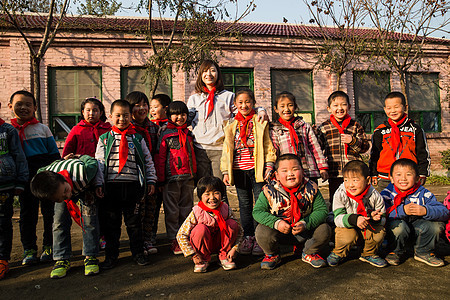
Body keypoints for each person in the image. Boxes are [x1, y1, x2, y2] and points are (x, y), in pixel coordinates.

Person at [95, 100, 156, 269]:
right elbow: (99, 163)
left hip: (132, 187)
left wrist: (151, 180)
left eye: (126, 115)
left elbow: (148, 161)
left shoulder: (137, 138)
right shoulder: (104, 139)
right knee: (111, 225)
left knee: (134, 223)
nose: (122, 119)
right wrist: (99, 184)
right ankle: (111, 256)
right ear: (110, 116)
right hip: (111, 188)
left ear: (131, 117)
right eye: (118, 115)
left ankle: (138, 254)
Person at [187, 59, 267, 181]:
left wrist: (261, 110)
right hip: (200, 149)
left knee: (219, 187)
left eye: (212, 71)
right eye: (205, 71)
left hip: (220, 148)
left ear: (218, 74)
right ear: (200, 75)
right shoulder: (194, 98)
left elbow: (244, 110)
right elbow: (184, 119)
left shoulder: (228, 96)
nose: (208, 74)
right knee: (202, 187)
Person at [220, 88, 276, 256]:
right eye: (240, 102)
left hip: (257, 170)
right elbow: (226, 150)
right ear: (235, 105)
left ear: (254, 103)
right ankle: (249, 236)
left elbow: (268, 145)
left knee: (260, 204)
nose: (244, 105)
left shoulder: (259, 121)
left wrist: (269, 164)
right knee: (244, 205)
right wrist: (225, 171)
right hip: (239, 171)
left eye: (247, 102)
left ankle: (260, 237)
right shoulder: (231, 124)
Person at [8, 90, 61, 265]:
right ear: (10, 107)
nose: (23, 108)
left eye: (28, 104)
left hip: (45, 175)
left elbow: (54, 154)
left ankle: (49, 246)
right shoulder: (8, 131)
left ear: (35, 108)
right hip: (23, 178)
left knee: (49, 212)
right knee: (27, 213)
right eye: (19, 104)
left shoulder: (42, 129)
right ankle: (29, 249)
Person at [30, 155, 104, 278]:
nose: (67, 195)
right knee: (59, 222)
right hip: (64, 178)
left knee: (89, 220)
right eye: (61, 197)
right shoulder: (49, 180)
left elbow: (92, 162)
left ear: (63, 180)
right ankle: (61, 258)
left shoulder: (84, 172)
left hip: (85, 187)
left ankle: (91, 255)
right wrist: (61, 161)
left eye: (65, 191)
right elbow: (39, 172)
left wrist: (81, 157)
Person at [253, 154, 331, 270]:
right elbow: (257, 212)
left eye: (295, 169)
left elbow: (322, 210)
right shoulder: (268, 191)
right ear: (277, 175)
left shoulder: (312, 188)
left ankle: (309, 251)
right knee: (261, 231)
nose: (290, 174)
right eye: (285, 171)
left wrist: (305, 223)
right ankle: (272, 254)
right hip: (280, 233)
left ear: (302, 171)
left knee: (325, 229)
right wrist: (277, 223)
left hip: (304, 231)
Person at [381, 158, 449, 267]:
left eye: (408, 174)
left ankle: (424, 251)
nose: (403, 178)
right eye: (398, 174)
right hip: (399, 233)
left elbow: (444, 212)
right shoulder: (386, 194)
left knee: (436, 226)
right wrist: (402, 210)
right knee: (398, 227)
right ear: (391, 178)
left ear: (417, 178)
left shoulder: (424, 193)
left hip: (419, 231)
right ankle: (396, 251)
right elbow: (382, 213)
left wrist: (425, 210)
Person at [327, 160, 387, 268]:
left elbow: (383, 218)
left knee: (379, 233)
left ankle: (368, 253)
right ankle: (338, 252)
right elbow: (337, 218)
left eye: (355, 180)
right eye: (346, 180)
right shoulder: (340, 194)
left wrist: (375, 218)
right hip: (346, 226)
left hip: (366, 225)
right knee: (347, 237)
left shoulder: (374, 195)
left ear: (367, 180)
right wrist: (354, 219)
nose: (350, 185)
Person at [176, 176, 243, 273]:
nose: (212, 198)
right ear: (200, 196)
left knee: (232, 224)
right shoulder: (196, 212)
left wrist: (234, 249)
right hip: (203, 246)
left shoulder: (225, 209)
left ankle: (224, 256)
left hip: (221, 243)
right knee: (200, 229)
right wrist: (193, 254)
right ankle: (203, 259)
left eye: (216, 193)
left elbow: (240, 231)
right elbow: (181, 235)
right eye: (207, 194)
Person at [155, 101, 196, 255]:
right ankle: (173, 239)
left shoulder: (188, 133)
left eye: (183, 114)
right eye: (175, 114)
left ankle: (185, 236)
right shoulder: (165, 134)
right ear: (169, 116)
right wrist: (160, 179)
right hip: (171, 179)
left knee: (186, 208)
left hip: (188, 178)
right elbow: (160, 157)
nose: (179, 117)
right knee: (171, 211)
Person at [369, 92, 430, 192]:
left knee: (409, 204)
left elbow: (422, 152)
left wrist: (423, 173)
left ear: (405, 107)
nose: (393, 111)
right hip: (385, 177)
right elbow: (375, 154)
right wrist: (373, 173)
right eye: (389, 108)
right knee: (386, 204)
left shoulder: (415, 129)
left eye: (396, 107)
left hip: (408, 178)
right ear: (384, 109)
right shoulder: (379, 131)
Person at [317, 91, 370, 201]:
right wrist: (322, 168)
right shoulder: (324, 128)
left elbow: (365, 147)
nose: (339, 108)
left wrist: (353, 141)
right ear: (329, 108)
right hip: (334, 172)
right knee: (336, 199)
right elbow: (317, 149)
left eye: (343, 105)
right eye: (335, 105)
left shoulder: (355, 126)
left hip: (353, 171)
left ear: (349, 107)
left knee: (356, 199)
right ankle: (337, 217)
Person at [125, 91, 160, 255]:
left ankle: (149, 239)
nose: (142, 108)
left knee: (151, 210)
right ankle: (138, 243)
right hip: (134, 178)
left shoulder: (155, 128)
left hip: (152, 176)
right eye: (137, 105)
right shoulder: (128, 130)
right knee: (137, 211)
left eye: (144, 104)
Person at [270, 91, 328, 184]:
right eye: (282, 106)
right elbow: (274, 152)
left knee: (311, 196)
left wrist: (322, 168)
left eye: (290, 105)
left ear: (295, 107)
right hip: (289, 174)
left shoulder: (304, 126)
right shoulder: (275, 129)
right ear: (276, 109)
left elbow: (315, 148)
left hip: (308, 170)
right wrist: (272, 170)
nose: (286, 109)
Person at [0, 104, 28, 280]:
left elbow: (19, 156)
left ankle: (2, 258)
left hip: (5, 185)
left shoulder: (8, 131)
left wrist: (21, 181)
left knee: (3, 222)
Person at [148, 93, 171, 250]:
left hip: (170, 175)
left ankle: (175, 236)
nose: (151, 110)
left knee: (171, 208)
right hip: (154, 175)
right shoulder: (149, 126)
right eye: (151, 107)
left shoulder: (171, 126)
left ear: (166, 109)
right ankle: (150, 236)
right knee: (153, 208)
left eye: (155, 107)